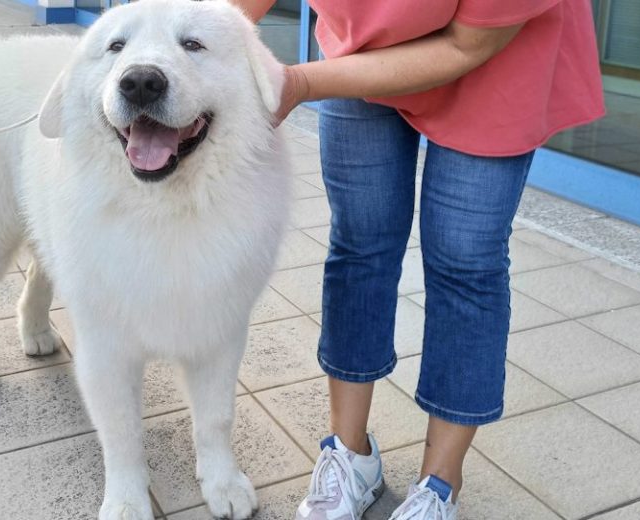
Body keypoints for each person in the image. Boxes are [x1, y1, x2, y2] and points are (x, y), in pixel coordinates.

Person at [234, 1, 604, 519]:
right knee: (361, 242)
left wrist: (298, 83)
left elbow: (467, 44)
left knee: (465, 262)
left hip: (498, 58)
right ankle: (350, 456)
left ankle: (440, 482)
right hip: (360, 43)